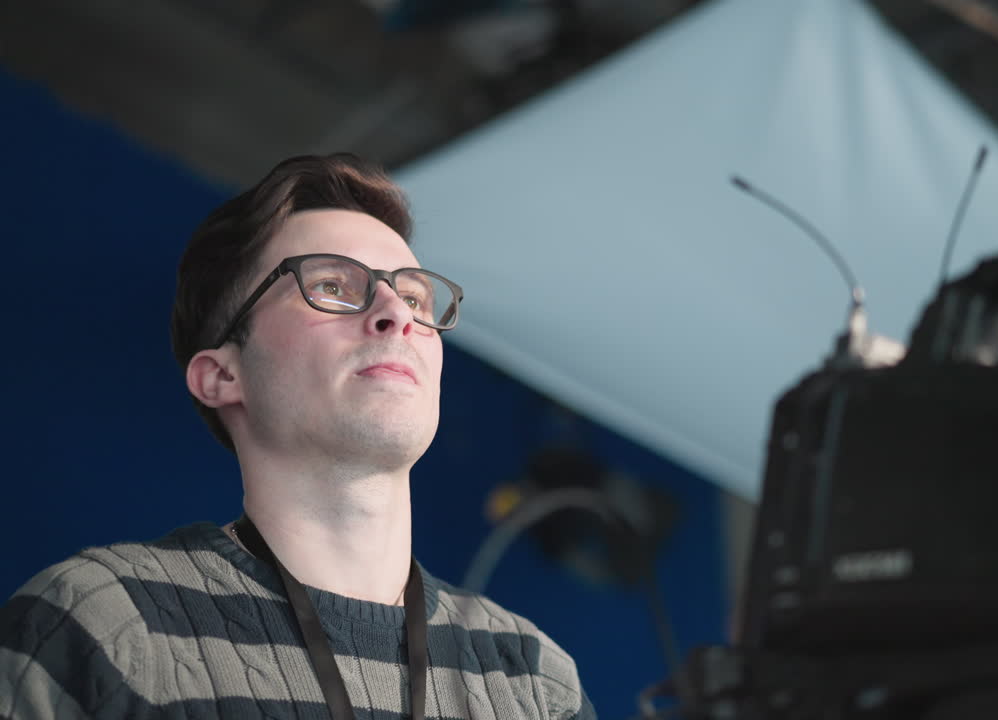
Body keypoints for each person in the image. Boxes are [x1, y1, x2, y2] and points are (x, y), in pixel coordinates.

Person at [0, 154, 595, 719]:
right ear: (223, 376)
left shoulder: (534, 681)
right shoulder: (103, 622)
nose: (396, 312)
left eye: (414, 295)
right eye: (333, 285)